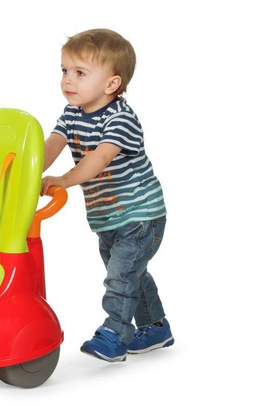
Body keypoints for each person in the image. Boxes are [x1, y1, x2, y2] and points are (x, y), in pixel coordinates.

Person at [41, 29, 174, 362]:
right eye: (64, 70)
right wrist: (28, 170)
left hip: (139, 215)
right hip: (107, 217)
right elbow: (52, 145)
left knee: (121, 277)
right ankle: (156, 328)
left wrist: (63, 180)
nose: (67, 80)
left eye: (80, 73)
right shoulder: (72, 113)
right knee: (132, 275)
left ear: (111, 84)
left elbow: (98, 159)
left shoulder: (121, 119)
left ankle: (115, 334)